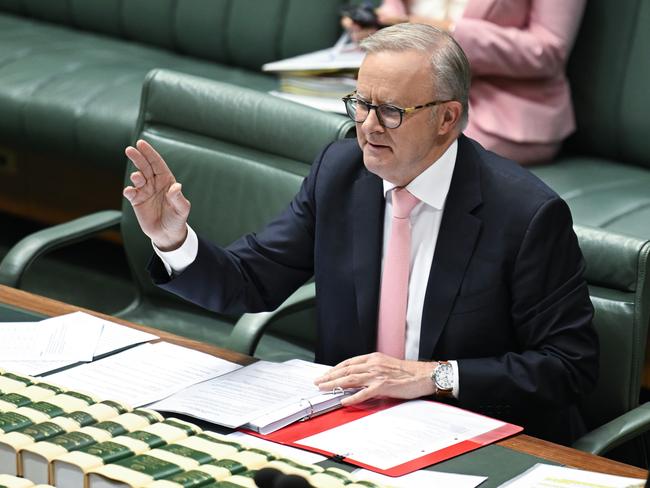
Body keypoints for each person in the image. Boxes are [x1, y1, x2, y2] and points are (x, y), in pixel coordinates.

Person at [123, 24, 598, 445]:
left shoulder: (526, 215)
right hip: (351, 431)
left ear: (447, 118)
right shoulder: (341, 172)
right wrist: (172, 238)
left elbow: (567, 369)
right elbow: (249, 280)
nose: (367, 127)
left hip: (471, 434)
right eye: (361, 104)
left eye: (390, 111)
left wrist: (432, 377)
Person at [342, 0, 586, 165]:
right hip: (404, 83)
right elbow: (397, 6)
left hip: (503, 107)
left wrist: (445, 33)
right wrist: (385, 23)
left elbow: (550, 51)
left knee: (397, 149)